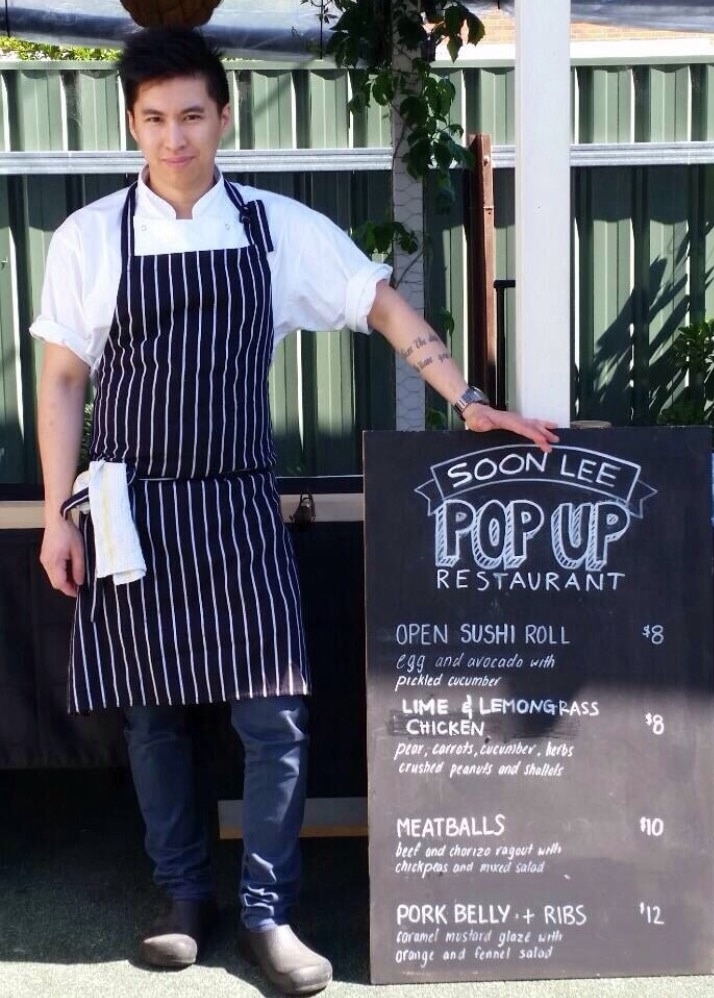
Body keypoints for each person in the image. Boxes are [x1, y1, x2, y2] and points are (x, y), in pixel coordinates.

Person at [32, 25, 558, 996]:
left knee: (272, 716)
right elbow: (62, 379)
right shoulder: (89, 237)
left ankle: (270, 911)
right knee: (154, 719)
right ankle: (185, 898)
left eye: (192, 114)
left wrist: (464, 395)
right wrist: (60, 511)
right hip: (129, 508)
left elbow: (382, 305)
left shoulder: (277, 228)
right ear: (133, 123)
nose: (174, 136)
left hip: (238, 502)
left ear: (222, 115)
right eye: (154, 118)